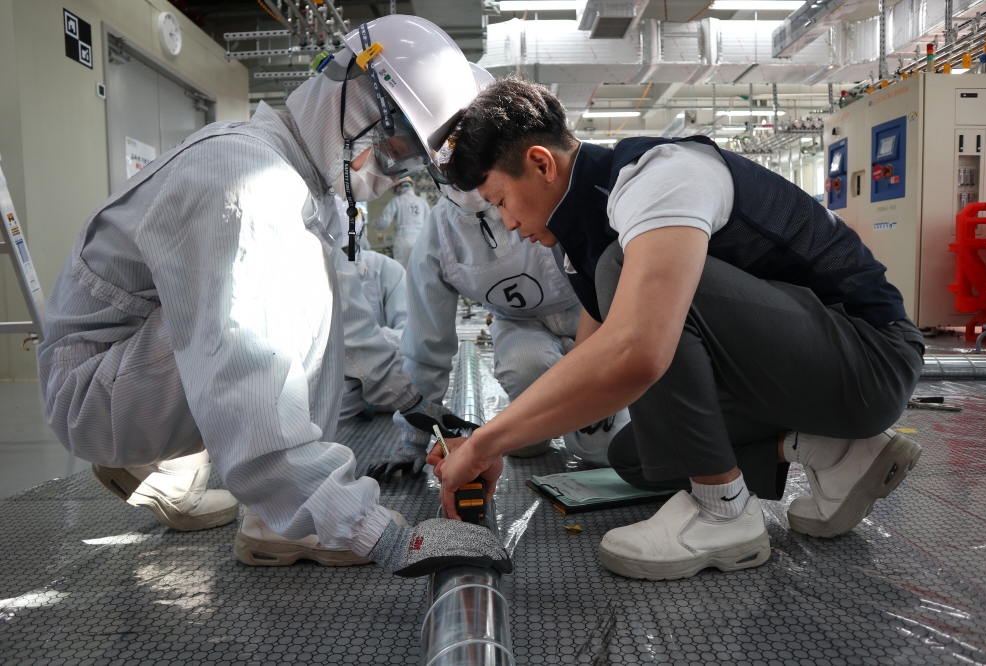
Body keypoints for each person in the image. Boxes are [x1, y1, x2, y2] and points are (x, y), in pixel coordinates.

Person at [37, 16, 511, 577]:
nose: (392, 175)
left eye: (410, 162)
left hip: (132, 368)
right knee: (291, 294)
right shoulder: (246, 180)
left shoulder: (304, 187)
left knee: (317, 284)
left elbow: (350, 328)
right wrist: (379, 536)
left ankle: (192, 471)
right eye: (398, 149)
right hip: (91, 393)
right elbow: (243, 381)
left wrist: (421, 408)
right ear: (359, 104)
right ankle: (282, 518)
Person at [430, 78, 924, 581]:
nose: (508, 223)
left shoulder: (658, 178)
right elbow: (591, 364)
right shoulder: (584, 231)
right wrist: (488, 441)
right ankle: (833, 449)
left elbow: (636, 351)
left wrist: (485, 444)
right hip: (807, 369)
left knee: (622, 271)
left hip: (870, 359)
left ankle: (722, 512)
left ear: (541, 163)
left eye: (500, 200)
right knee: (639, 455)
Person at [403, 182, 629, 463]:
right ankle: (533, 434)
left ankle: (579, 434)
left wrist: (594, 370)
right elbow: (425, 340)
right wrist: (413, 438)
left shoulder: (548, 191)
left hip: (588, 311)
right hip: (518, 323)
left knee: (602, 450)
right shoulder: (438, 235)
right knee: (525, 366)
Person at [328, 194, 409, 423]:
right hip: (334, 397)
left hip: (386, 389)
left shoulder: (388, 271)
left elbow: (411, 337)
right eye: (332, 253)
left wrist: (363, 347)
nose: (340, 262)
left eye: (346, 251)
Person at [372, 177, 430, 268]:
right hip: (421, 241)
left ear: (398, 187)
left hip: (403, 240)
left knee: (402, 270)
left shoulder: (397, 200)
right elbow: (429, 225)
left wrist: (374, 223)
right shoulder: (423, 202)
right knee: (420, 270)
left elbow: (384, 222)